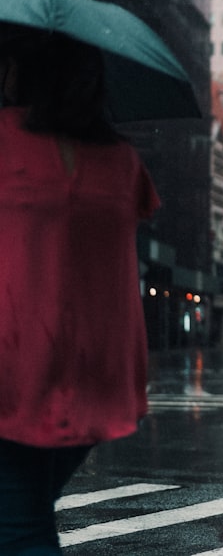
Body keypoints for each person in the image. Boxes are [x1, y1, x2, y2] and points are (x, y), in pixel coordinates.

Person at [0, 34, 160, 555]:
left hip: (16, 364)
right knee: (19, 509)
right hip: (99, 368)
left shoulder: (4, 137)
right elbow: (137, 206)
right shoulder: (124, 160)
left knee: (20, 524)